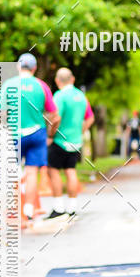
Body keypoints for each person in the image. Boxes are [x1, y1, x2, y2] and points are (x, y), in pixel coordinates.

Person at [0, 53, 60, 224]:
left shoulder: (9, 85)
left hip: (14, 134)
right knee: (32, 172)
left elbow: (0, 112)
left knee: (13, 173)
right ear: (34, 68)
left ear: (18, 67)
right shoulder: (41, 86)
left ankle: (13, 212)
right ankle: (29, 210)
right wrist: (50, 134)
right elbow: (54, 115)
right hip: (36, 133)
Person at [46, 67, 94, 219]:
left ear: (57, 81)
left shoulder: (59, 96)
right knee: (71, 171)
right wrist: (80, 131)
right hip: (75, 142)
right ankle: (72, 207)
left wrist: (50, 134)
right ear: (72, 79)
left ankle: (58, 207)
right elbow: (90, 118)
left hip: (60, 140)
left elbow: (56, 118)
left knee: (53, 171)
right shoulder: (81, 96)